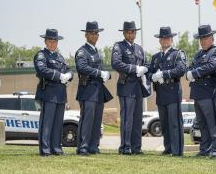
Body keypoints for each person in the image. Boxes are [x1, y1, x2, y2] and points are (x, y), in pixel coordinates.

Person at [111, 21, 150, 155]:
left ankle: (136, 147)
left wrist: (145, 68)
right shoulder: (119, 46)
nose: (131, 34)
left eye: (133, 31)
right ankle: (125, 147)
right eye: (128, 31)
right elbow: (116, 63)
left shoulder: (139, 48)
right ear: (124, 33)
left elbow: (147, 63)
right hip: (126, 86)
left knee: (137, 119)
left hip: (138, 88)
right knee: (127, 119)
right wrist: (134, 68)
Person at [147, 26, 186, 156]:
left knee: (175, 123)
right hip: (161, 93)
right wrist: (152, 77)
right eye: (162, 38)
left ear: (171, 39)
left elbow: (180, 70)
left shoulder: (177, 54)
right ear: (159, 40)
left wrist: (164, 74)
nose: (164, 40)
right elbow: (149, 73)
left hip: (173, 92)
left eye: (167, 38)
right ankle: (168, 148)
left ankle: (177, 150)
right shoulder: (156, 57)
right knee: (164, 123)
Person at [186, 24, 216, 158]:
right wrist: (188, 73)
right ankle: (205, 149)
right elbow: (189, 67)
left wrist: (194, 73)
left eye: (205, 38)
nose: (203, 41)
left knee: (212, 122)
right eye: (201, 39)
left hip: (209, 91)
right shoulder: (197, 54)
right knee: (202, 123)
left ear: (212, 39)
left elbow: (212, 66)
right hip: (197, 92)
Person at [75, 21, 113, 156]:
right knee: (87, 119)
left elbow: (99, 69)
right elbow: (82, 67)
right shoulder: (82, 51)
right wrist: (99, 73)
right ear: (86, 35)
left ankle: (93, 146)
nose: (95, 35)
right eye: (92, 33)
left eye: (97, 33)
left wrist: (106, 75)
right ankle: (83, 147)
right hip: (88, 90)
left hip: (98, 90)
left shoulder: (97, 52)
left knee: (97, 120)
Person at [34, 28, 73, 156]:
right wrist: (58, 75)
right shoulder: (41, 55)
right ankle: (45, 149)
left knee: (58, 123)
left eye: (55, 41)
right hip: (48, 93)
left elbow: (69, 69)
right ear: (45, 41)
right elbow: (41, 69)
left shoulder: (60, 56)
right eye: (50, 40)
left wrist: (68, 75)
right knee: (47, 122)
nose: (53, 43)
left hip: (61, 94)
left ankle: (56, 148)